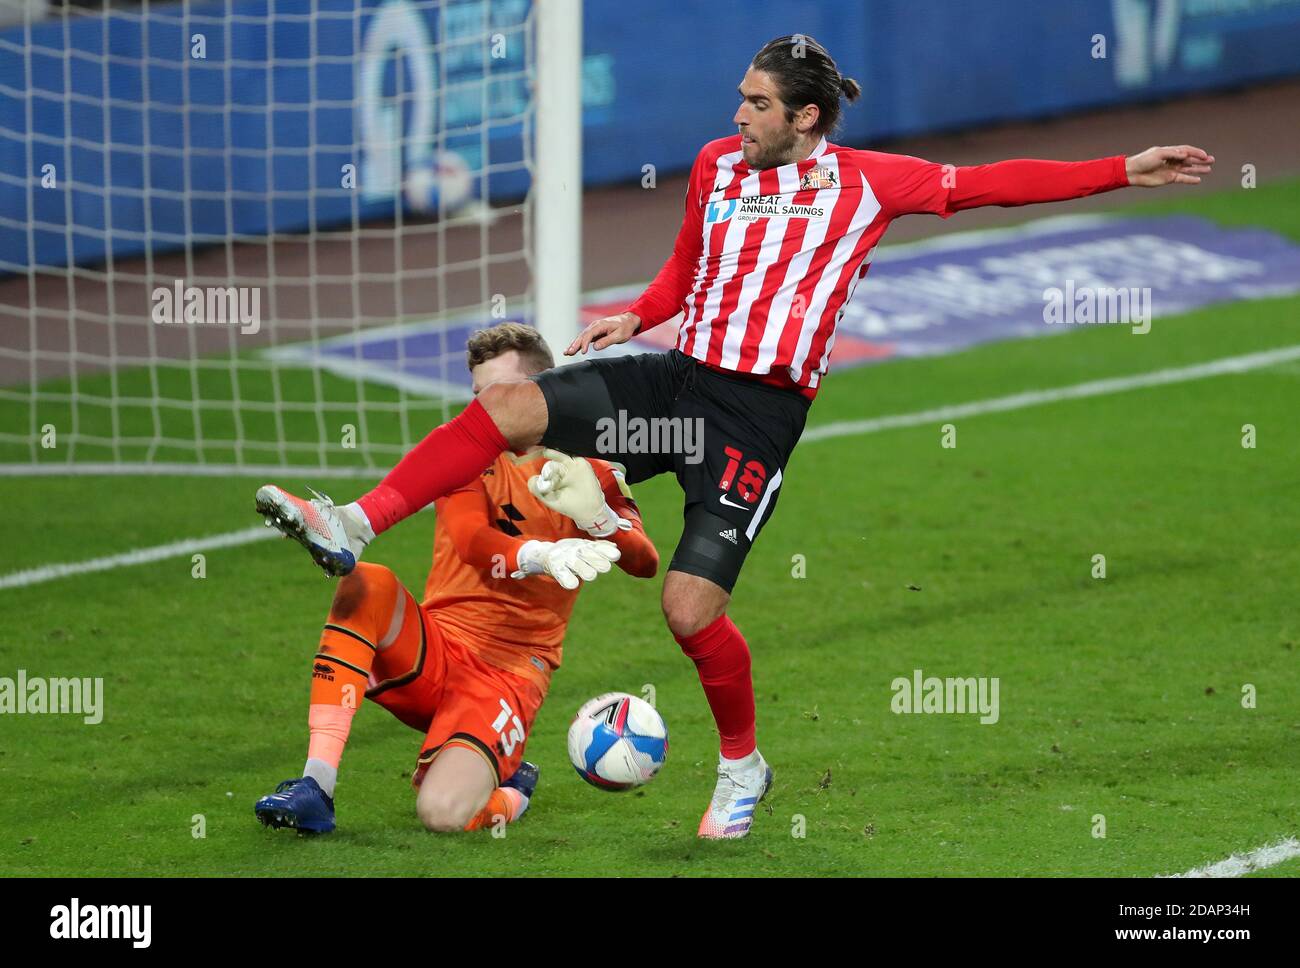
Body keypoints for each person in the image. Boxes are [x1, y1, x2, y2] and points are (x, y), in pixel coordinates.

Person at [258, 34, 1213, 839]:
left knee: (686, 609)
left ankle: (742, 766)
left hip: (757, 416)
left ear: (805, 117)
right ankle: (356, 519)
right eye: (741, 99)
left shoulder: (871, 182)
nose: (739, 114)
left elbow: (994, 186)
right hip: (678, 383)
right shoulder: (718, 166)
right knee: (513, 412)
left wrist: (1122, 169)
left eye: (757, 103)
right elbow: (687, 268)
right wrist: (639, 315)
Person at [254, 324, 657, 834]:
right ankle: (316, 787)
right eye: (476, 396)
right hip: (436, 650)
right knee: (365, 582)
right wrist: (537, 554)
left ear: (540, 390)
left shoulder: (591, 470)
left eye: (498, 394)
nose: (484, 408)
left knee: (443, 815)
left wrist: (601, 520)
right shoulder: (467, 453)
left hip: (507, 678)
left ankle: (513, 792)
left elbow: (644, 562)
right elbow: (471, 541)